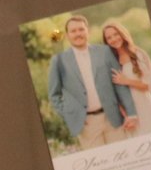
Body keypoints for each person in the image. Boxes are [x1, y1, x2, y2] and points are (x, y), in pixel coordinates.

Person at [46, 14, 127, 148]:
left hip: (113, 117)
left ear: (87, 31)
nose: (78, 34)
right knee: (100, 165)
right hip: (87, 125)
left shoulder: (104, 51)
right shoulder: (58, 61)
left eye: (81, 29)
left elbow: (119, 82)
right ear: (67, 35)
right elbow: (54, 95)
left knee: (124, 158)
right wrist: (71, 114)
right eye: (73, 31)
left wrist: (127, 110)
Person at [103, 22, 151, 134]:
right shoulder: (110, 62)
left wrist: (126, 81)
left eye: (116, 34)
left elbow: (150, 85)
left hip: (146, 106)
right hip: (130, 114)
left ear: (122, 34)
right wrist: (126, 116)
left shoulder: (138, 54)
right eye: (109, 38)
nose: (113, 39)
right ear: (106, 42)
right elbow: (113, 94)